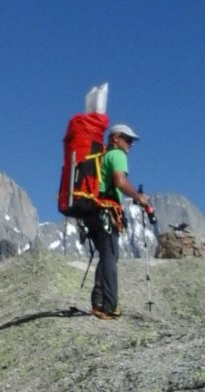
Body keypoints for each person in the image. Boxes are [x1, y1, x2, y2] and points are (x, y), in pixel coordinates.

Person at [83, 123, 150, 320]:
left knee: (105, 256)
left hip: (92, 212)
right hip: (106, 211)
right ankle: (109, 306)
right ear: (115, 138)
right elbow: (120, 182)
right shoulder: (117, 155)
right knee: (111, 256)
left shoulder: (102, 157)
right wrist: (139, 198)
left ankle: (97, 303)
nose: (130, 144)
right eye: (127, 139)